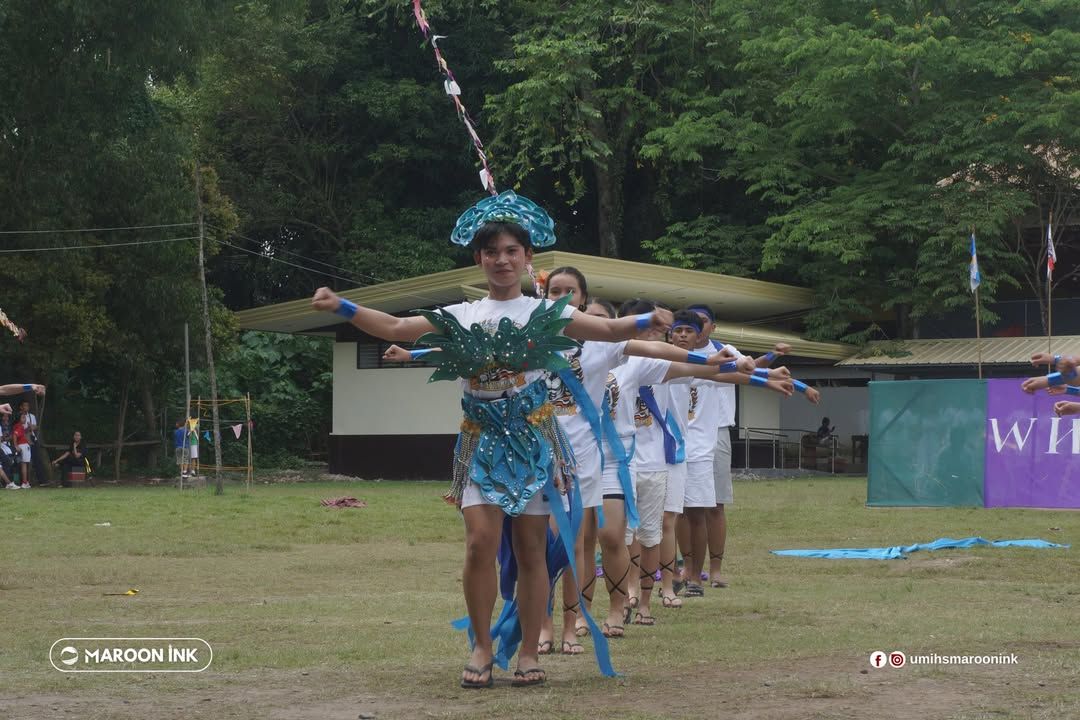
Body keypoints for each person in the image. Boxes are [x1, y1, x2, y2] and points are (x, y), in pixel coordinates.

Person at [311, 190, 673, 689]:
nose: (501, 260)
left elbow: (608, 330)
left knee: (530, 551)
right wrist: (341, 306)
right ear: (479, 259)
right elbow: (395, 326)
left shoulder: (549, 314)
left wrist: (645, 321)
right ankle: (481, 646)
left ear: (527, 259)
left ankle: (528, 652)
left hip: (534, 442)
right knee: (480, 543)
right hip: (480, 443)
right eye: (491, 252)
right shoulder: (462, 314)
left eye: (511, 251)